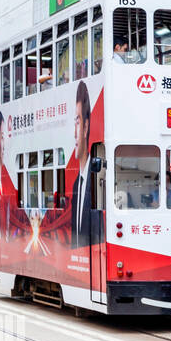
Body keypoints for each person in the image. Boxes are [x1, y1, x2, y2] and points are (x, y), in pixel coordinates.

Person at [69, 81, 95, 248]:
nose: (74, 132)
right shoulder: (76, 184)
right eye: (74, 123)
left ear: (85, 127)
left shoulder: (97, 178)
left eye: (78, 123)